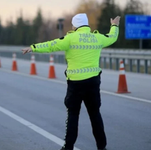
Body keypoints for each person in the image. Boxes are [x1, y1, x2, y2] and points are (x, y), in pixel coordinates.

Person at [22, 13, 120, 150]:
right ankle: (102, 147)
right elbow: (112, 37)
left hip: (75, 84)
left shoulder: (70, 38)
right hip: (93, 83)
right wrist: (114, 25)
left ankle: (68, 147)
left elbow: (51, 45)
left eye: (73, 24)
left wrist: (33, 47)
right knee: (95, 115)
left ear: (75, 25)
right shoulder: (97, 38)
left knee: (73, 115)